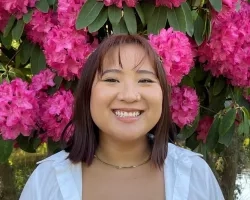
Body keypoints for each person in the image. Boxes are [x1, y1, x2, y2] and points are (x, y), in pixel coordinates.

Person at [20, 35, 224, 200]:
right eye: (111, 79)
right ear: (88, 93)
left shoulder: (196, 176)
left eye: (145, 80)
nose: (129, 95)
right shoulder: (46, 181)